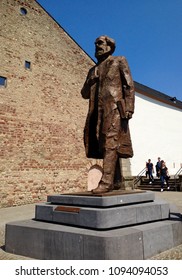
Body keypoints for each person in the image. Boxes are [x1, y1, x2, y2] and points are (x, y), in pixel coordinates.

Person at [81, 35, 135, 194]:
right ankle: (117, 181)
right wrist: (90, 81)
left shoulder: (118, 61)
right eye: (95, 43)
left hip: (115, 109)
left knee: (110, 141)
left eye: (100, 43)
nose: (96, 46)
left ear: (109, 46)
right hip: (97, 112)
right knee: (102, 141)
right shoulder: (93, 70)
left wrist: (129, 108)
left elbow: (129, 86)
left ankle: (106, 182)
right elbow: (84, 94)